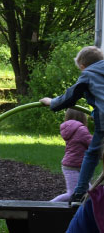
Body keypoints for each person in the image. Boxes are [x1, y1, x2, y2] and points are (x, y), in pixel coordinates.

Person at [40, 46, 104, 202]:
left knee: (92, 154)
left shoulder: (87, 74)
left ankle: (80, 191)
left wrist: (51, 102)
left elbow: (70, 97)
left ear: (82, 66)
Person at [50, 108, 92, 202]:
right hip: (72, 167)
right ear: (82, 116)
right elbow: (92, 144)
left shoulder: (70, 130)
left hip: (75, 165)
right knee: (72, 194)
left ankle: (86, 211)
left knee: (90, 192)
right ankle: (49, 205)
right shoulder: (81, 130)